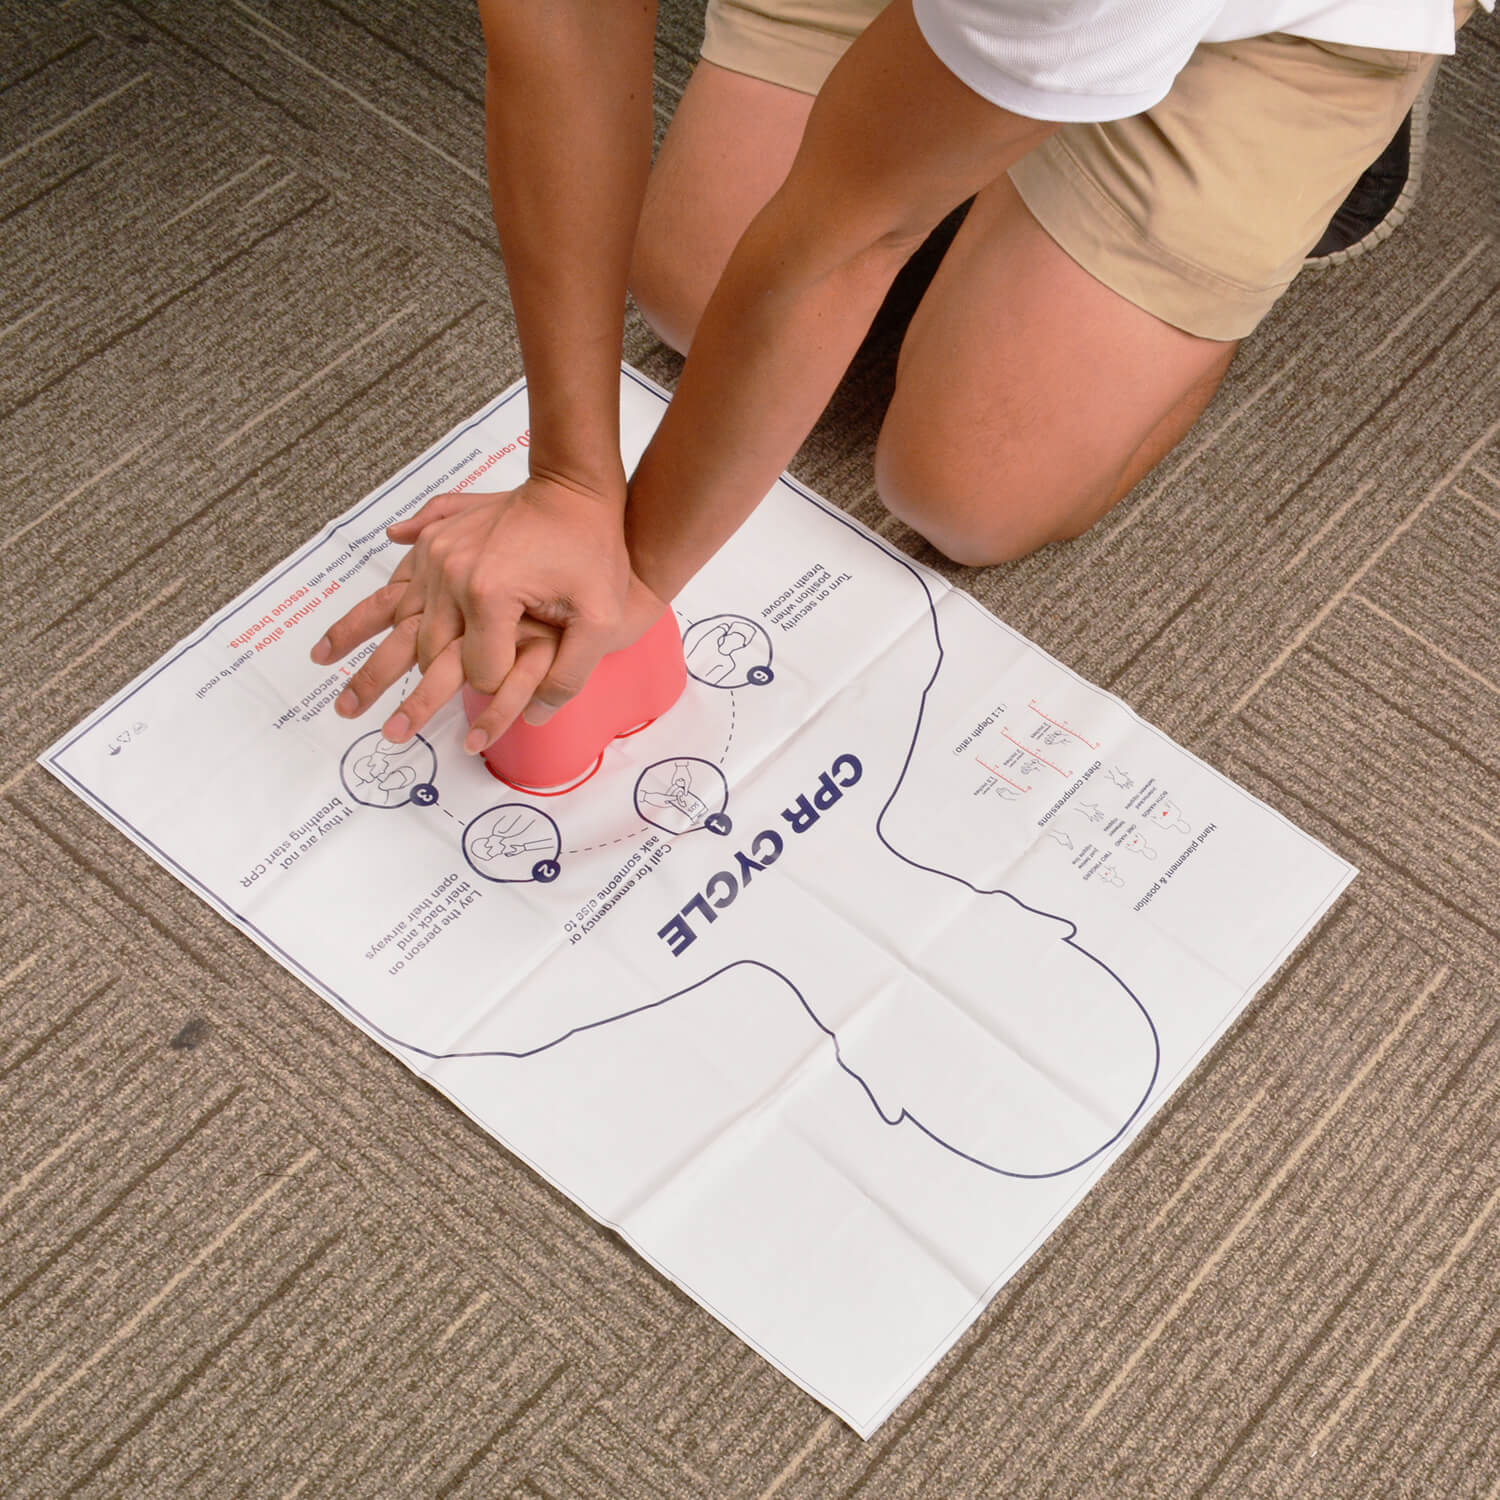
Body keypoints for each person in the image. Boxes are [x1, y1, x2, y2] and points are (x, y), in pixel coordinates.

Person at [311, 0, 1483, 753]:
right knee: (691, 287)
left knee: (968, 486)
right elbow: (564, 24)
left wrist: (637, 572)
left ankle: (1115, 86)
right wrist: (571, 477)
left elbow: (847, 237)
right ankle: (1006, 82)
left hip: (1272, 21)